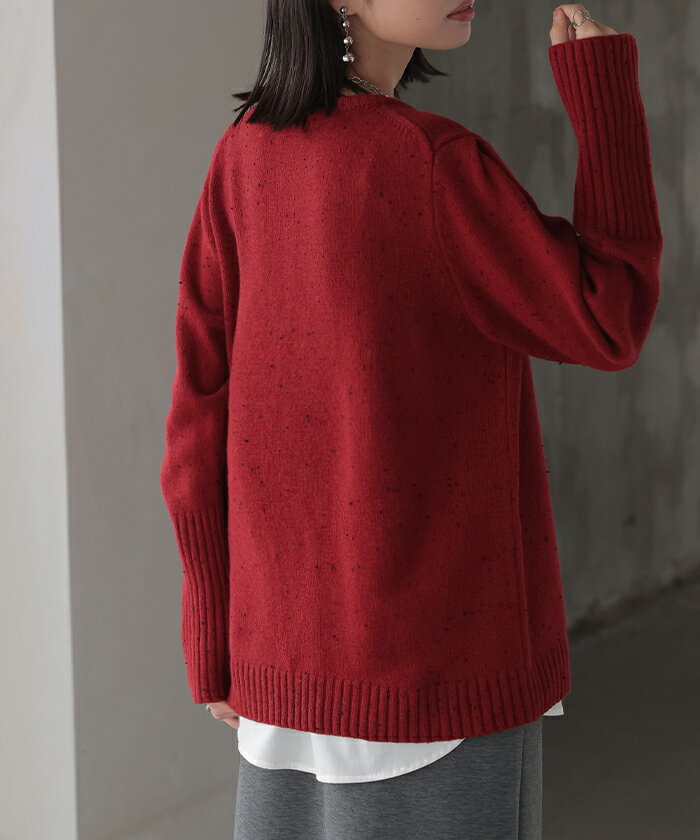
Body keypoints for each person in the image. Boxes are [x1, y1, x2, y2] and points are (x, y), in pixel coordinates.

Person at [158, 2, 663, 838]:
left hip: (278, 676)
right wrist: (604, 98)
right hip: (429, 685)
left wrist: (214, 637)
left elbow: (194, 418)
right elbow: (607, 318)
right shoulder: (431, 164)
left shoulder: (243, 153)